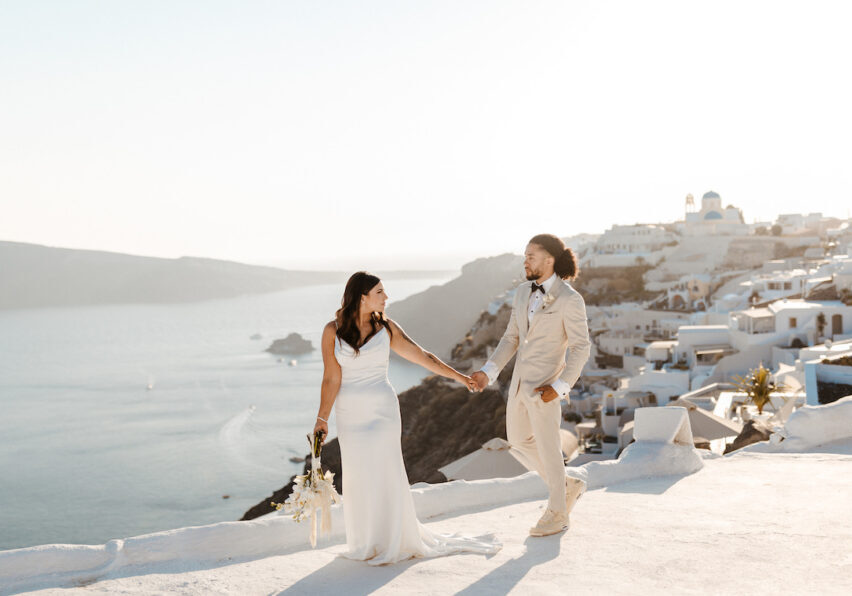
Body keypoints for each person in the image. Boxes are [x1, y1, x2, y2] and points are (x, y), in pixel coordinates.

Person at [313, 271, 501, 565]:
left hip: (382, 410)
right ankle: (368, 541)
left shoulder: (386, 327)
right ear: (362, 297)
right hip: (350, 415)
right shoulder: (331, 331)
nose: (386, 298)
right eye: (380, 292)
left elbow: (422, 356)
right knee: (359, 474)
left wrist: (461, 377)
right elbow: (331, 378)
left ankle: (395, 539)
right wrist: (322, 418)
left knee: (385, 469)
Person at [470, 234, 591, 537]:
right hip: (519, 386)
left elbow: (580, 348)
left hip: (546, 389)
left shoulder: (570, 300)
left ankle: (557, 514)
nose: (525, 261)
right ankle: (565, 485)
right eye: (525, 256)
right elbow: (511, 337)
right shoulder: (523, 292)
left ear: (550, 259)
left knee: (550, 448)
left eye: (531, 256)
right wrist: (489, 371)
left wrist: (561, 386)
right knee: (519, 441)